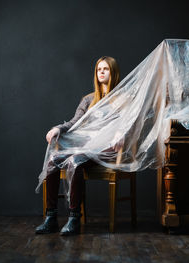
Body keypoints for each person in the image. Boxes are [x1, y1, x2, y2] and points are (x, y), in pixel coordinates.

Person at [35, 56, 121, 235]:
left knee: (74, 161)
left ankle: (74, 217)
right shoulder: (88, 99)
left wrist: (122, 134)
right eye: (99, 69)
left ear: (113, 72)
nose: (101, 72)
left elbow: (129, 122)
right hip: (86, 148)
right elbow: (74, 122)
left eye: (105, 69)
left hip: (107, 150)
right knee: (53, 160)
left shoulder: (122, 100)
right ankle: (51, 218)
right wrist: (58, 128)